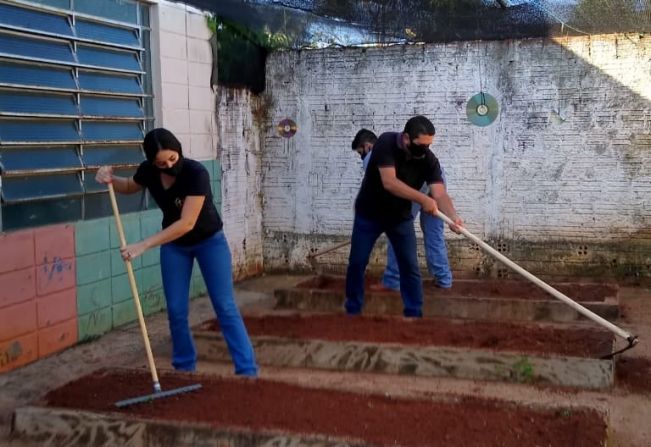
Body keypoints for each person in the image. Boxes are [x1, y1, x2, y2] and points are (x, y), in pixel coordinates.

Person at [95, 128, 258, 376]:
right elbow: (130, 185)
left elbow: (187, 223)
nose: (169, 165)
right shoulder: (149, 171)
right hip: (175, 248)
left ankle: (247, 370)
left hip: (209, 241)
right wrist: (110, 179)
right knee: (176, 309)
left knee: (224, 306)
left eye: (173, 158)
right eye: (161, 163)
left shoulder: (196, 173)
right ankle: (184, 366)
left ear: (179, 151)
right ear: (152, 162)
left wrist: (143, 245)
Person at [345, 116, 463, 318]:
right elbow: (389, 183)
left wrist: (453, 217)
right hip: (369, 214)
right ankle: (353, 310)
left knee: (409, 265)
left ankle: (414, 313)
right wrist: (423, 200)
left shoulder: (429, 159)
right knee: (357, 262)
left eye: (429, 145)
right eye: (421, 145)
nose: (425, 150)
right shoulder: (385, 143)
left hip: (399, 217)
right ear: (407, 138)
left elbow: (440, 193)